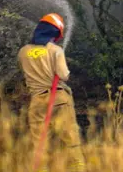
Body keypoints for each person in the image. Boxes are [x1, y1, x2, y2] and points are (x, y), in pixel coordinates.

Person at [18, 13, 85, 171]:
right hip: (59, 99)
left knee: (40, 145)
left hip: (37, 101)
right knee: (71, 141)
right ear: (55, 33)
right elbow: (63, 75)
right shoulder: (56, 50)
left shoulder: (23, 51)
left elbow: (24, 71)